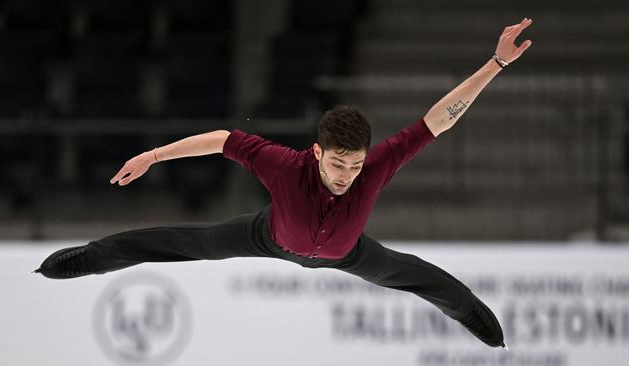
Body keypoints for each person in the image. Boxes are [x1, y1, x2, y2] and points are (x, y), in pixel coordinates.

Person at [36, 18, 534, 349]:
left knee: (420, 276)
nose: (347, 176)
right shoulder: (285, 164)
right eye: (338, 164)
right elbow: (222, 139)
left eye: (356, 166)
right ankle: (90, 259)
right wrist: (153, 155)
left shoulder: (375, 165)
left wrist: (496, 64)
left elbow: (437, 121)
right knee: (186, 242)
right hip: (267, 237)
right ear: (317, 153)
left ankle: (481, 323)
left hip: (347, 251)